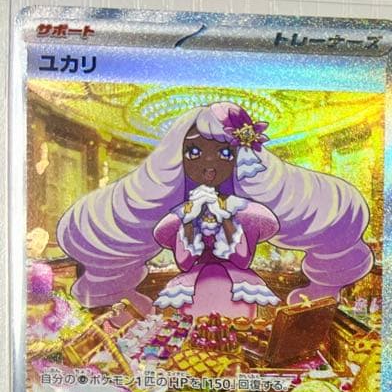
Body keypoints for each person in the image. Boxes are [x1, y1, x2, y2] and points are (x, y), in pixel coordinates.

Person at [57, 101, 373, 318]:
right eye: (194, 152)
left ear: (240, 160)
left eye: (224, 153)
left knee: (235, 343)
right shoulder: (182, 214)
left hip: (237, 290)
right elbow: (184, 261)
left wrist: (229, 222)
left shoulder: (245, 211)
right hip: (192, 290)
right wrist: (189, 223)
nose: (209, 165)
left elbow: (241, 258)